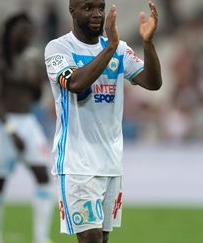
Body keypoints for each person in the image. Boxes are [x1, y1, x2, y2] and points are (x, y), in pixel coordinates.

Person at [44, 0, 162, 242]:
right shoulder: (58, 49)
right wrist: (109, 48)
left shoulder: (119, 49)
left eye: (100, 7)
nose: (97, 14)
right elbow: (75, 84)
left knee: (102, 239)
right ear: (72, 11)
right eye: (88, 8)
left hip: (110, 162)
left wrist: (148, 44)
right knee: (91, 238)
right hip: (77, 162)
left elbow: (153, 82)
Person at [0, 13, 54, 243]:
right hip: (3, 123)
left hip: (28, 120)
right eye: (22, 30)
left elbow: (35, 96)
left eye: (29, 31)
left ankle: (41, 238)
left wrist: (36, 84)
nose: (27, 35)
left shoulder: (32, 59)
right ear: (10, 32)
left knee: (43, 175)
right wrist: (11, 130)